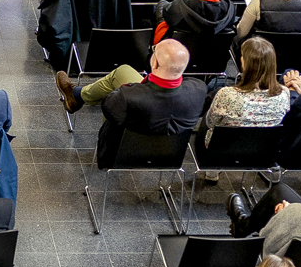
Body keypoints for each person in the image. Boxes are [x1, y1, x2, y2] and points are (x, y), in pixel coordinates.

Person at [55, 38, 207, 169]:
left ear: (154, 63)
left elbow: (109, 109)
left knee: (119, 80)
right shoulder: (199, 90)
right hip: (170, 155)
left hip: (121, 152)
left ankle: (78, 96)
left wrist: (127, 90)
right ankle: (77, 95)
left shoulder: (128, 96)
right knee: (123, 72)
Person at [201, 37, 291, 141]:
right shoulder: (284, 93)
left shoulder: (226, 94)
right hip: (263, 150)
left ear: (245, 63)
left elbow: (210, 122)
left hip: (221, 150)